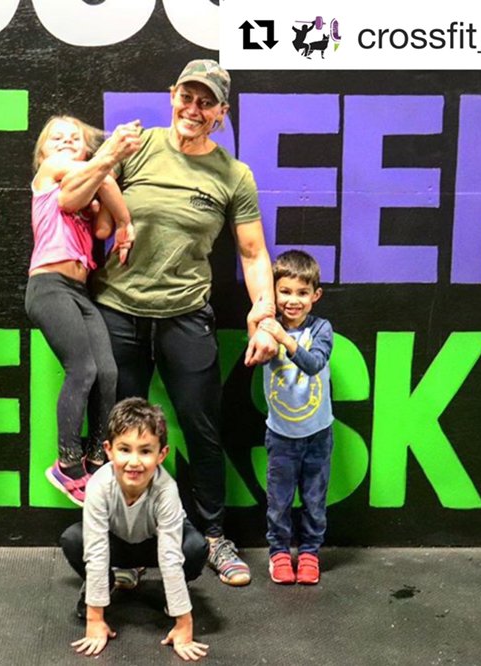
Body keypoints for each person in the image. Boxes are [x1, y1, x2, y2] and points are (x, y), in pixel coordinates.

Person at [89, 59, 279, 586]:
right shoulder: (135, 147)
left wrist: (264, 314)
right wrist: (105, 161)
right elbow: (81, 201)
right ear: (172, 95)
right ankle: (126, 551)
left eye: (206, 102)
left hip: (185, 313)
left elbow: (253, 253)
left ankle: (214, 536)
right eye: (187, 97)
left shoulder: (234, 175)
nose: (193, 109)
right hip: (118, 310)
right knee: (121, 434)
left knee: (203, 428)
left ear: (221, 113)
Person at [26, 115, 141, 505]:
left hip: (80, 291)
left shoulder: (89, 184)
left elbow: (102, 229)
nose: (65, 142)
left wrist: (110, 211)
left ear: (86, 150)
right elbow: (89, 191)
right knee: (83, 369)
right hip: (48, 286)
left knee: (107, 373)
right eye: (56, 138)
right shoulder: (49, 173)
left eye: (75, 139)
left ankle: (95, 458)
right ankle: (67, 463)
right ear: (42, 153)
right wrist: (123, 214)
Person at [60, 398, 210, 661]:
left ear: (161, 454)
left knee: (195, 547)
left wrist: (184, 623)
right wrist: (95, 620)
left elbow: (170, 556)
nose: (134, 462)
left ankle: (172, 596)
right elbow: (96, 551)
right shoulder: (99, 485)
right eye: (125, 449)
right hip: (117, 545)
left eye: (145, 451)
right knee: (73, 539)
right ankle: (108, 584)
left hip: (155, 547)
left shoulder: (166, 490)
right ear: (108, 450)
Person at [255, 250, 334, 585]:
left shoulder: (322, 328)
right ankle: (279, 553)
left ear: (316, 295)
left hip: (318, 435)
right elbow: (255, 350)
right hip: (281, 436)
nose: (293, 300)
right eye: (285, 291)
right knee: (279, 502)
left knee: (315, 500)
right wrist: (260, 329)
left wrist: (283, 338)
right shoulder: (267, 326)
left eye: (302, 292)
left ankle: (310, 553)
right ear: (273, 292)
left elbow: (314, 364)